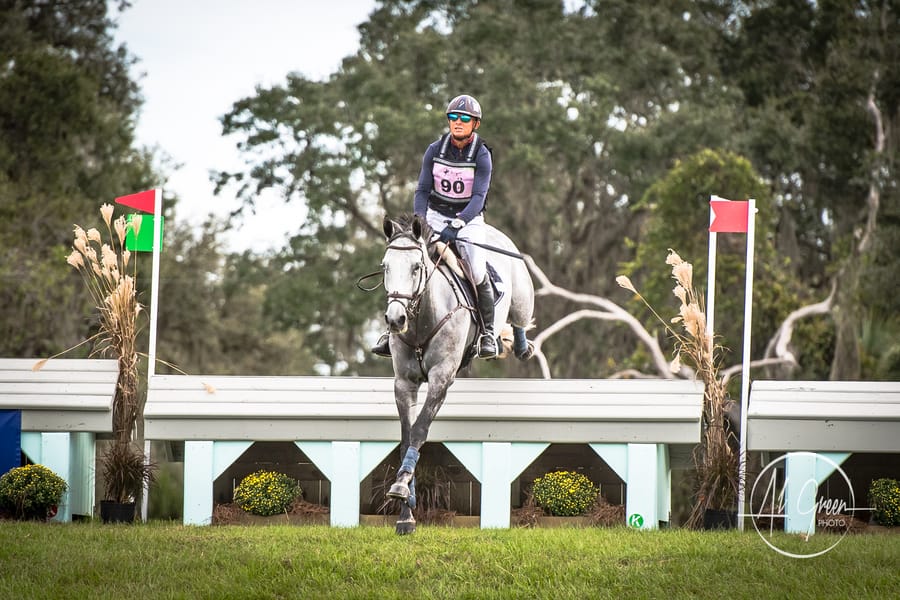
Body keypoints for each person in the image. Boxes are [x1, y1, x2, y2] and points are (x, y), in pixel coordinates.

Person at [372, 93, 497, 359]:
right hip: (435, 215)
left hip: (469, 219)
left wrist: (459, 224)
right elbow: (423, 189)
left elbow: (478, 198)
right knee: (407, 264)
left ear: (475, 124)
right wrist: (422, 221)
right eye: (454, 117)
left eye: (465, 118)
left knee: (475, 269)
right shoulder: (434, 150)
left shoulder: (482, 155)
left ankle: (487, 332)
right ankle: (391, 331)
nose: (458, 122)